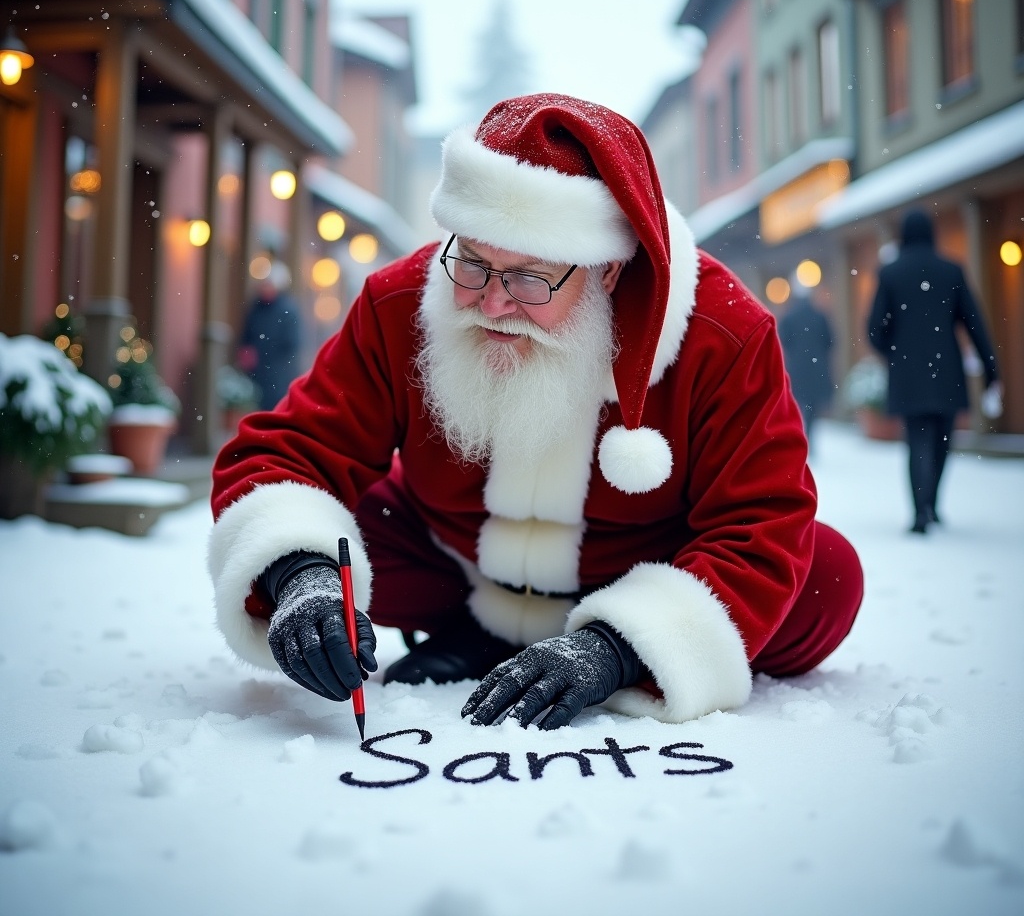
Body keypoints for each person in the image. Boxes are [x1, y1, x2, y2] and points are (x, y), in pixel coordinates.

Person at [208, 94, 864, 731]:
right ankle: (476, 633)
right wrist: (299, 571)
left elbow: (761, 516)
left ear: (608, 269)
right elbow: (288, 448)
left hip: (641, 574)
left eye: (528, 278)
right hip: (455, 571)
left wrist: (618, 648)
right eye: (472, 262)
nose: (491, 304)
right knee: (346, 520)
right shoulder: (400, 303)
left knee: (824, 575)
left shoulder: (722, 332)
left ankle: (614, 640)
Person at [867, 209, 1001, 534]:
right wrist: (990, 370)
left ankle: (920, 511)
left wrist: (895, 355)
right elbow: (975, 323)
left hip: (908, 374)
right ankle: (932, 503)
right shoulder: (951, 271)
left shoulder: (890, 273)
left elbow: (874, 329)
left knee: (917, 441)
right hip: (946, 370)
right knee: (942, 441)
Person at [236, 260, 301, 410]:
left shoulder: (288, 310)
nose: (265, 288)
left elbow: (292, 343)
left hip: (277, 373)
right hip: (255, 371)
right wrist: (247, 351)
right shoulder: (256, 307)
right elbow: (247, 333)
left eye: (268, 285)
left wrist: (268, 355)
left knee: (273, 406)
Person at [778, 282, 834, 451]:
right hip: (816, 368)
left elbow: (784, 341)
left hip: (796, 369)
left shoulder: (789, 317)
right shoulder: (820, 316)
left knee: (797, 404)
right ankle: (808, 436)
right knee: (812, 406)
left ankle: (799, 437)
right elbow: (830, 341)